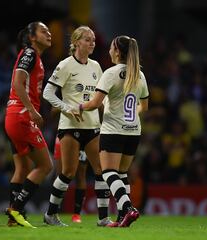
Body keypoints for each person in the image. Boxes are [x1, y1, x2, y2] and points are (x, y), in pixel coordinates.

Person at [42, 26, 111, 227]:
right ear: (77, 42)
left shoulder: (96, 67)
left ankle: (103, 218)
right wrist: (66, 108)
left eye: (94, 40)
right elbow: (48, 93)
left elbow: (100, 98)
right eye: (88, 39)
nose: (92, 43)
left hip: (93, 127)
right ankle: (50, 214)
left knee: (101, 170)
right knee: (68, 172)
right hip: (70, 127)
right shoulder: (65, 65)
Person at [78, 35, 149, 227]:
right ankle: (121, 216)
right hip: (133, 131)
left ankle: (127, 208)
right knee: (122, 174)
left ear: (117, 51)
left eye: (111, 47)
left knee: (109, 172)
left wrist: (78, 107)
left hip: (113, 130)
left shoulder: (111, 73)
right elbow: (145, 106)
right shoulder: (139, 74)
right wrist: (131, 115)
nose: (109, 50)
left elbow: (94, 103)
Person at [4, 21, 53, 228]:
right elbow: (17, 83)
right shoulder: (30, 54)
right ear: (32, 37)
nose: (49, 34)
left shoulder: (34, 56)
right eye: (44, 31)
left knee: (23, 166)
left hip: (13, 116)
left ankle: (12, 221)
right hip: (22, 116)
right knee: (45, 166)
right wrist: (32, 111)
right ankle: (16, 208)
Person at [53, 137, 88, 223]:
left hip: (83, 138)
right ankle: (53, 211)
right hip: (64, 135)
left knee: (81, 174)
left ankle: (77, 214)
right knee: (60, 175)